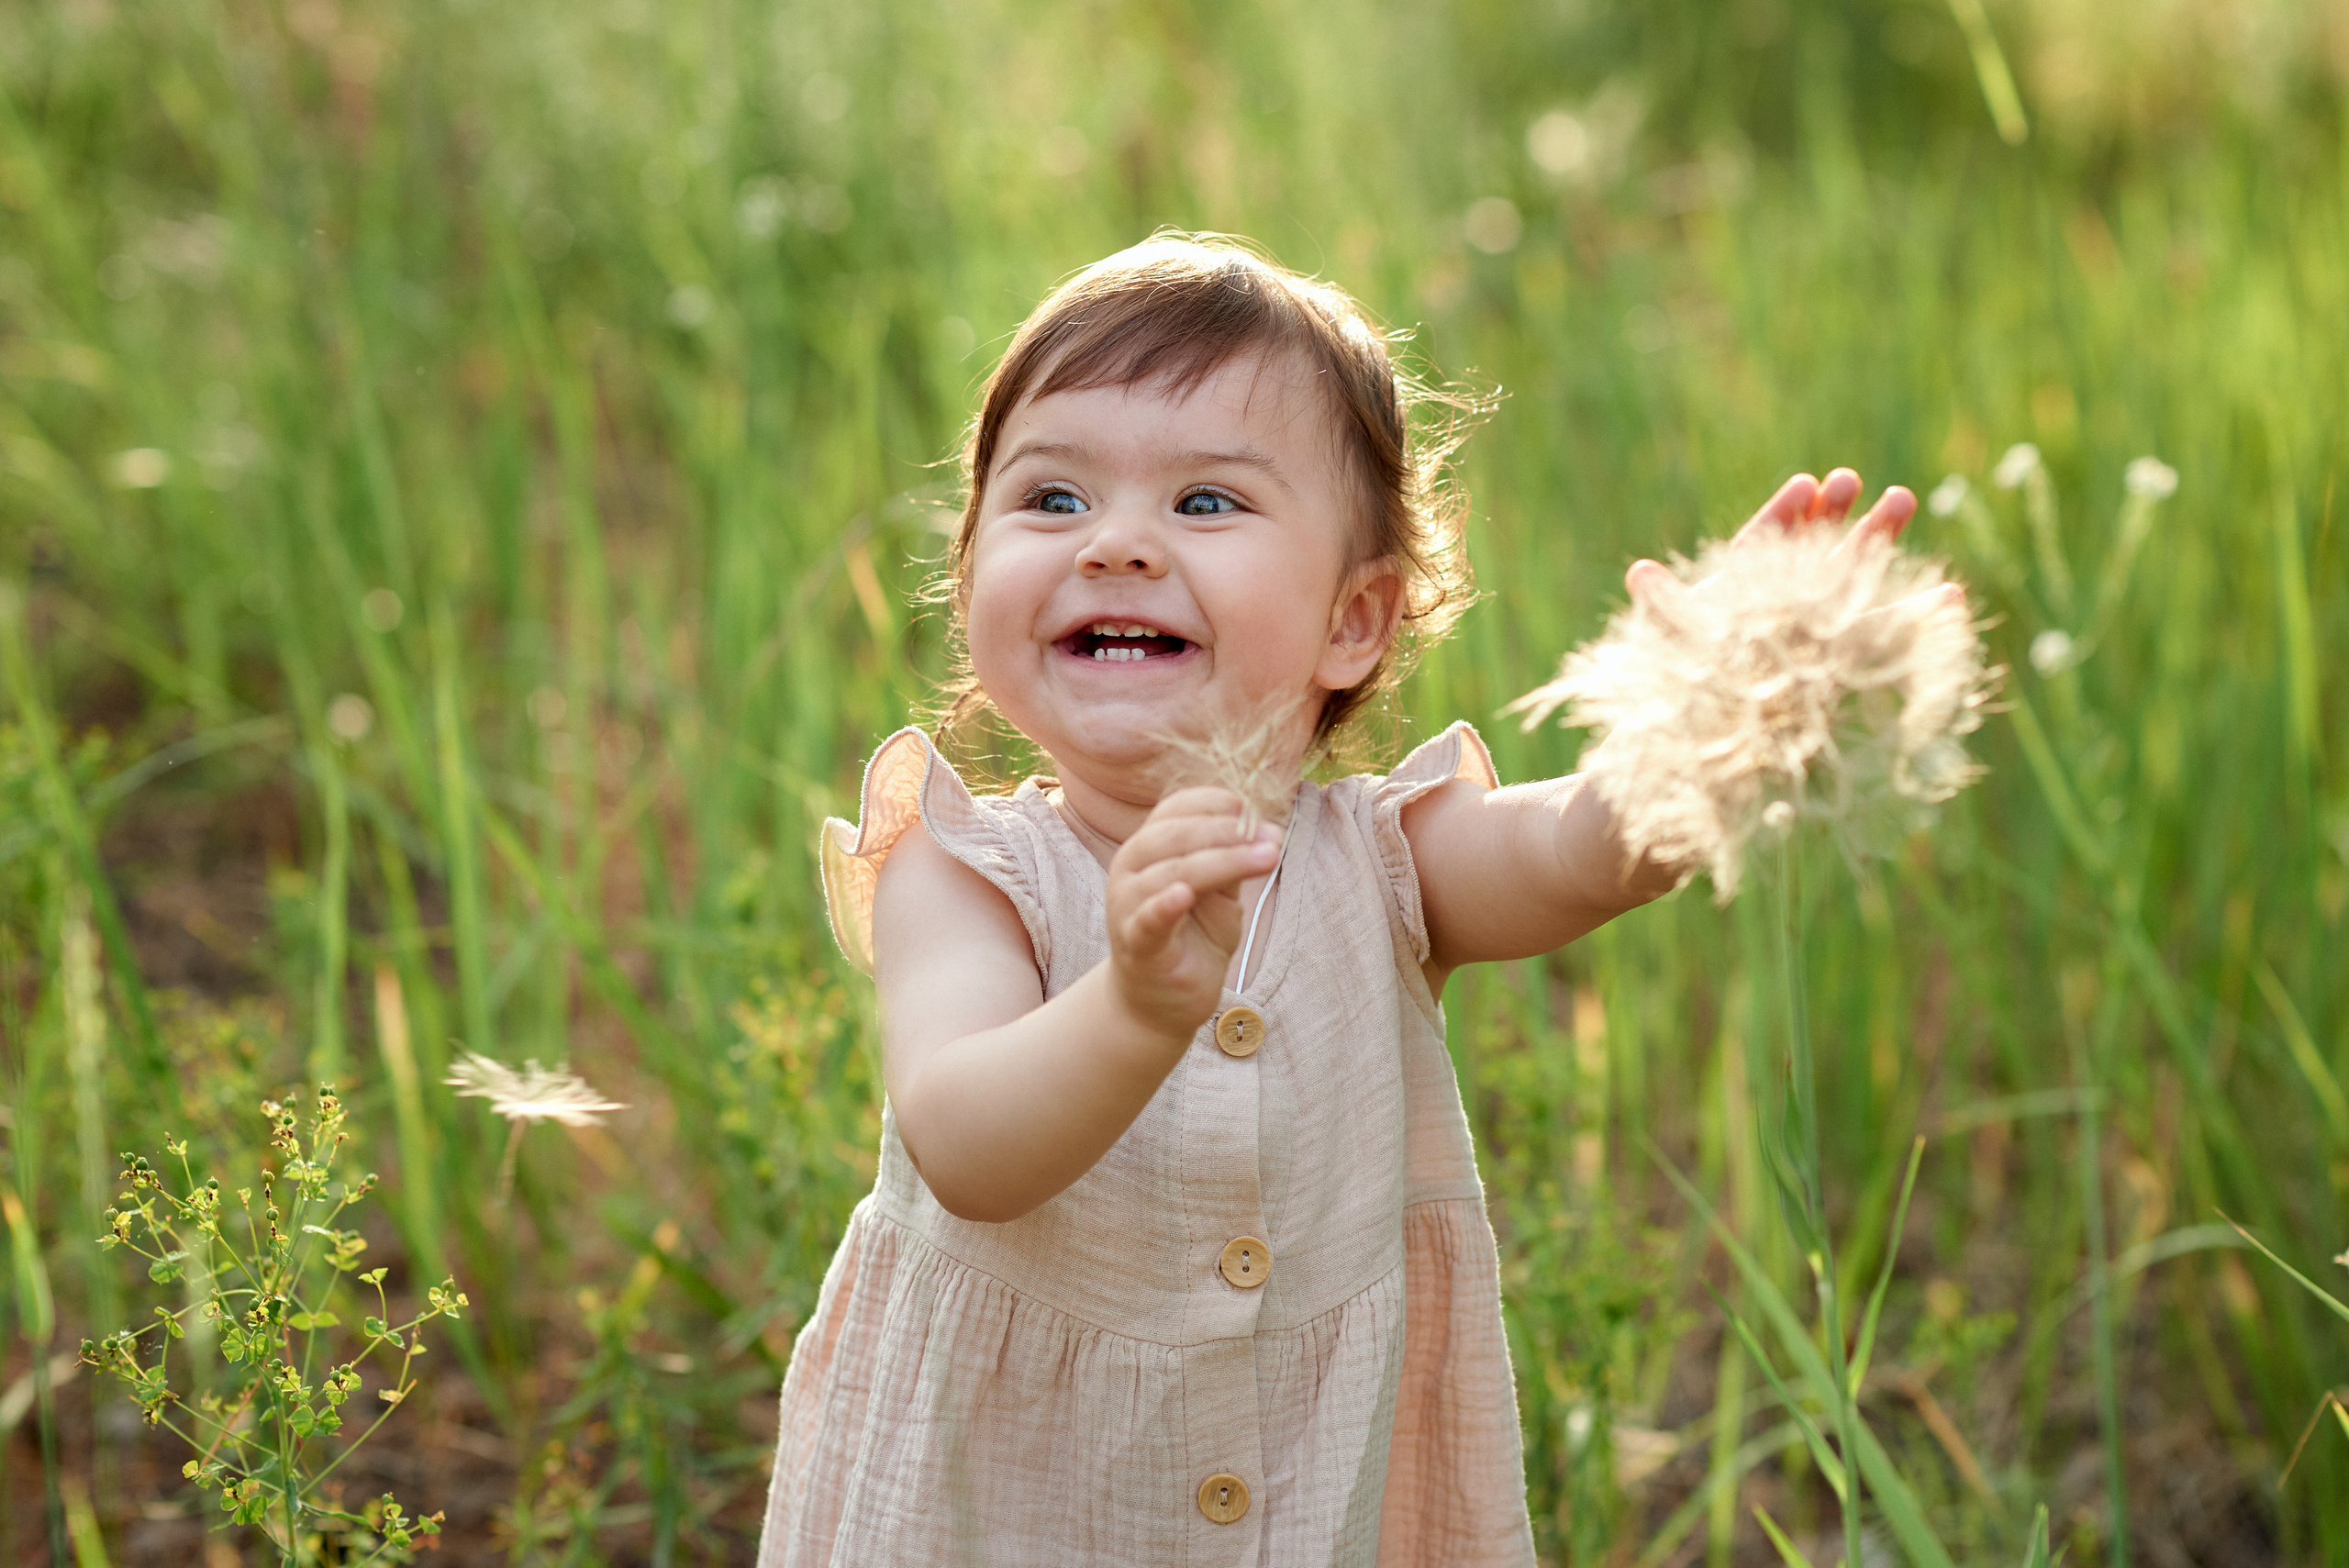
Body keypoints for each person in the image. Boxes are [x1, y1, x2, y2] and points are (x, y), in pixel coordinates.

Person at [757, 234, 1914, 1566]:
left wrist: (1702, 725)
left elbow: (1577, 853)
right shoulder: (964, 873)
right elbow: (964, 1142)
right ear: (969, 582)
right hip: (1002, 1507)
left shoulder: (1384, 858)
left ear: (1354, 621)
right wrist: (1135, 1005)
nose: (1118, 544)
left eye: (1205, 503)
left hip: (1315, 1501)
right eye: (1053, 498)